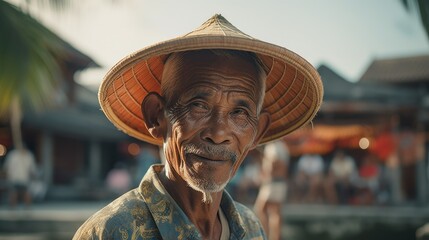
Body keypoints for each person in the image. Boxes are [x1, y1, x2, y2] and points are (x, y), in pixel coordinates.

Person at [73, 14, 323, 240]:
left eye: (239, 113)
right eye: (198, 105)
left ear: (258, 132)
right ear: (157, 116)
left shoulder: (251, 228)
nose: (218, 133)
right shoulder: (110, 232)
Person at [254, 141, 289, 240]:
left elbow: (276, 163)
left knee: (261, 209)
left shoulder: (275, 146)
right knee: (275, 212)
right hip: (279, 182)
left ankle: (265, 236)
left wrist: (266, 172)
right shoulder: (282, 146)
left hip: (272, 182)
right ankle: (274, 236)